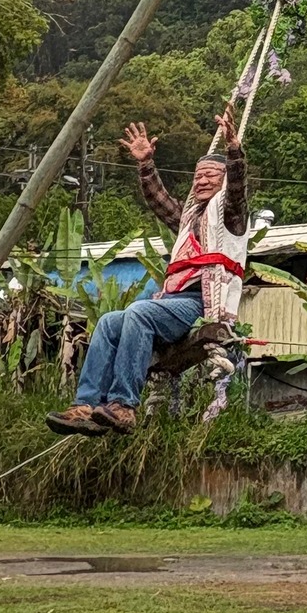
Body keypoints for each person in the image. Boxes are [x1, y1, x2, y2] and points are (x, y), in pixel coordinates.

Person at [45, 107, 249, 436]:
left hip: (201, 302)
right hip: (173, 301)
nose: (202, 180)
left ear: (223, 182)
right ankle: (85, 403)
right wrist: (145, 164)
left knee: (139, 312)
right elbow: (160, 201)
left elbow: (238, 190)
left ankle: (123, 404)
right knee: (110, 321)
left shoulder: (231, 217)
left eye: (211, 176)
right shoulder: (190, 217)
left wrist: (234, 150)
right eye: (198, 176)